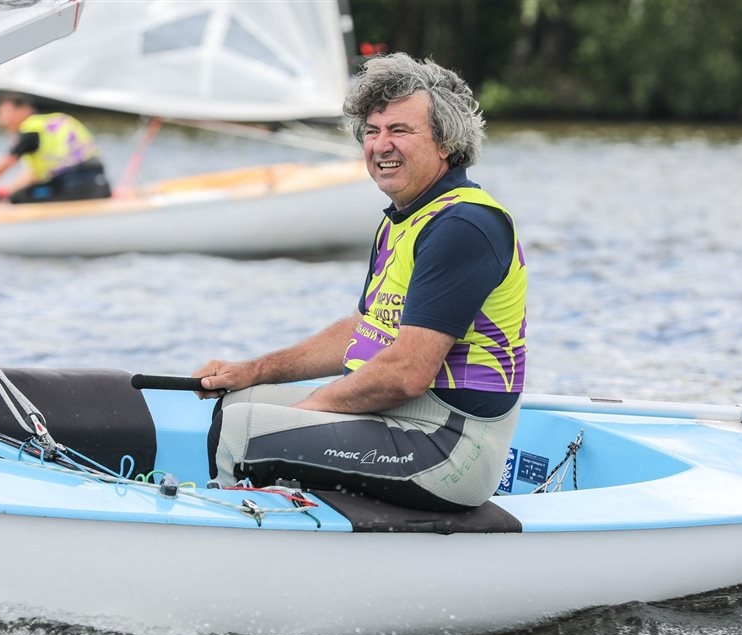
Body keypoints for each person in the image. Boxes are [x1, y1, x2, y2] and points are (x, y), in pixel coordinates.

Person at [192, 53, 527, 512]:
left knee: (244, 429)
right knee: (240, 402)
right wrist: (254, 370)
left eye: (399, 130)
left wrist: (304, 414)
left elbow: (406, 373)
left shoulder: (463, 225)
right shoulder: (403, 219)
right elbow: (363, 330)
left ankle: (228, 535)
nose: (380, 146)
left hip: (450, 447)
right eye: (372, 131)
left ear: (446, 142)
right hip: (402, 420)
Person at [0, 92, 111, 205]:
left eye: (4, 113)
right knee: (15, 193)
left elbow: (2, 166)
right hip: (100, 185)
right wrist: (5, 190)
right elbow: (34, 175)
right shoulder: (56, 120)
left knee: (17, 197)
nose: (2, 121)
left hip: (72, 186)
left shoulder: (31, 130)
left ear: (24, 109)